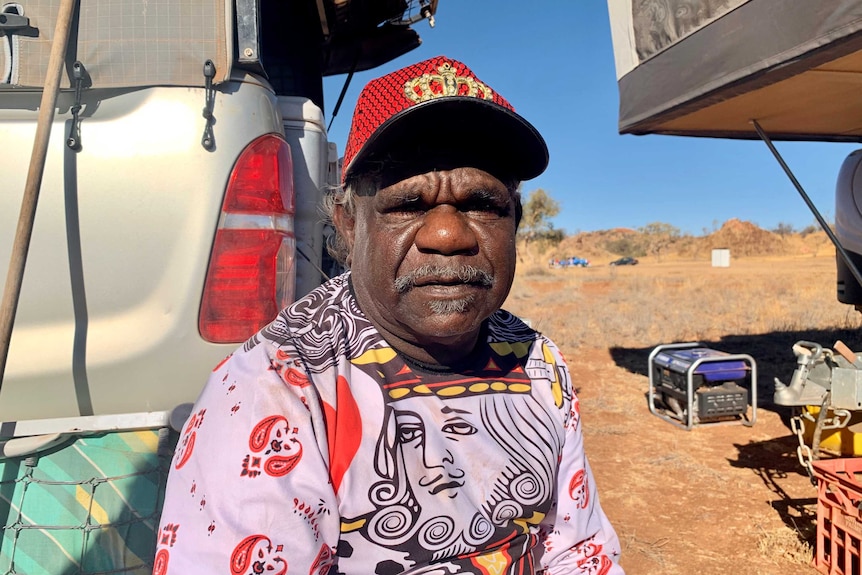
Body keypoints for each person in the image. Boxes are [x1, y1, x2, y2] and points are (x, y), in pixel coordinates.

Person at [154, 55, 624, 575]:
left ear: (514, 222)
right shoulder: (280, 386)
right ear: (349, 225)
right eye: (407, 205)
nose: (449, 236)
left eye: (483, 204)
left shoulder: (537, 361)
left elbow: (578, 552)